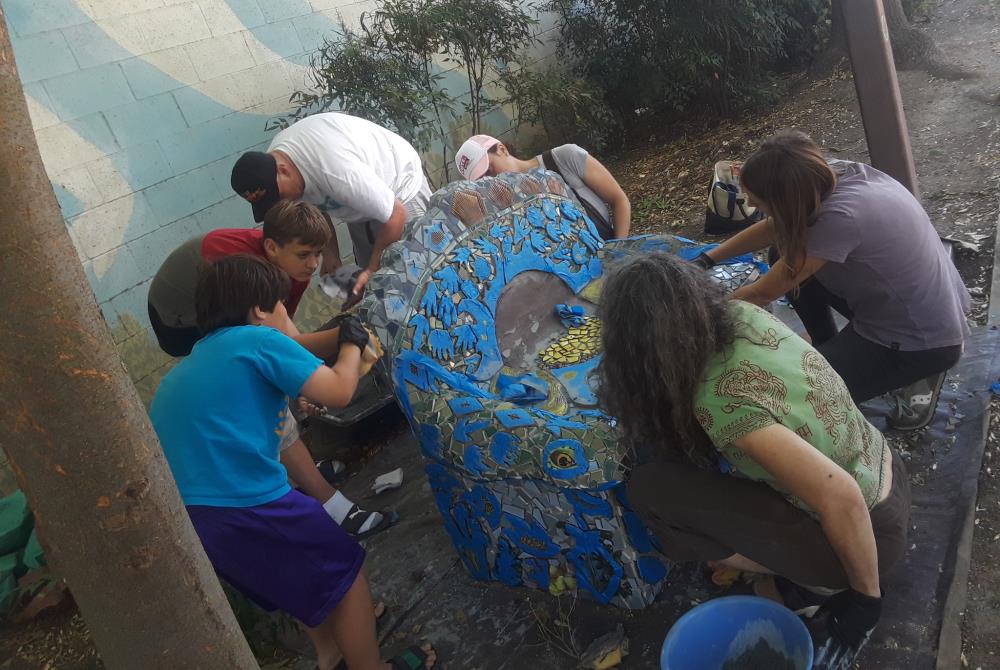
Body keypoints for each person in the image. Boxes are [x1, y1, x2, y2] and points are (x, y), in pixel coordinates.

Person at [599, 253, 911, 670]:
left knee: (649, 486)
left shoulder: (718, 400)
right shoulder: (742, 314)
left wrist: (864, 604)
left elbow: (842, 496)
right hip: (888, 471)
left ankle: (813, 584)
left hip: (866, 534)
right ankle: (804, 573)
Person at [150, 255, 436, 670]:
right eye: (283, 305)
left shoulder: (191, 365)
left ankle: (332, 655)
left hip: (196, 521)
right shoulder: (257, 340)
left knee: (301, 583)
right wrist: (353, 346)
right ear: (260, 310)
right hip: (247, 503)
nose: (288, 313)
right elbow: (339, 391)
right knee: (349, 577)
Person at [147, 200, 392, 538]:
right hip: (176, 320)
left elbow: (286, 343)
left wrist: (343, 338)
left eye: (319, 253)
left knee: (271, 383)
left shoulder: (285, 269)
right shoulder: (233, 268)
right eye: (305, 254)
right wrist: (348, 344)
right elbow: (287, 351)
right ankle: (327, 500)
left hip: (196, 503)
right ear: (272, 248)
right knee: (268, 393)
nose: (315, 264)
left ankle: (297, 473)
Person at [695, 130, 969, 428]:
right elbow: (774, 228)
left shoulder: (840, 218)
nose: (750, 203)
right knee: (779, 253)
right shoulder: (826, 174)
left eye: (758, 201)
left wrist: (697, 319)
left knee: (800, 396)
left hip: (922, 339)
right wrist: (706, 259)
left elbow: (761, 294)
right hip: (911, 304)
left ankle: (916, 374)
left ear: (785, 198)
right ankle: (828, 345)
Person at [231, 113, 432, 308]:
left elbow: (396, 215)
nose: (283, 201)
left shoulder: (337, 172)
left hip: (401, 191)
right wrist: (330, 254)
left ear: (283, 170)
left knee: (419, 278)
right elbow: (314, 207)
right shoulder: (273, 164)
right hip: (361, 208)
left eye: (279, 195)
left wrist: (372, 269)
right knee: (376, 288)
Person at [454, 135, 631, 239]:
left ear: (502, 149)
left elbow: (619, 200)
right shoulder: (506, 206)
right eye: (482, 179)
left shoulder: (564, 158)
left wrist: (619, 252)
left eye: (490, 169)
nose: (491, 179)